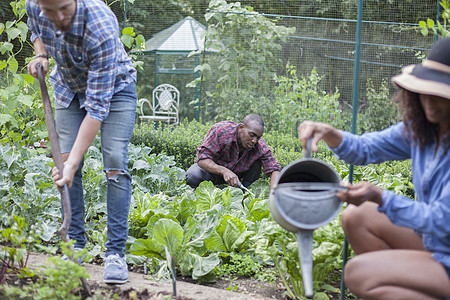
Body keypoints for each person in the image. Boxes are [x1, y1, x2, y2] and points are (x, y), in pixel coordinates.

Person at [298, 37, 450, 300]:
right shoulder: (422, 131)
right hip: (438, 245)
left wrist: (380, 196)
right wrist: (330, 133)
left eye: (440, 93)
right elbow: (366, 149)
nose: (429, 101)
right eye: (426, 89)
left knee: (359, 274)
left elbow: (441, 221)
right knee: (357, 217)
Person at [26, 0, 137, 284]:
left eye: (65, 7)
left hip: (115, 89)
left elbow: (97, 108)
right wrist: (41, 54)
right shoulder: (34, 5)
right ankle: (73, 244)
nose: (59, 17)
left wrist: (73, 162)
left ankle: (115, 254)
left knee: (113, 159)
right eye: (51, 11)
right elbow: (34, 25)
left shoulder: (100, 25)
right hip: (67, 88)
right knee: (64, 161)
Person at [186, 114, 281, 190]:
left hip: (239, 176)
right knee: (193, 175)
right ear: (241, 127)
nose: (254, 141)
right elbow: (202, 159)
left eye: (258, 137)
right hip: (213, 172)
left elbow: (274, 169)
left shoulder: (259, 145)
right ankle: (196, 196)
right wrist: (224, 171)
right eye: (252, 135)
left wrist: (274, 194)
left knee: (257, 162)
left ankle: (245, 194)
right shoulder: (221, 131)